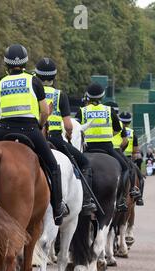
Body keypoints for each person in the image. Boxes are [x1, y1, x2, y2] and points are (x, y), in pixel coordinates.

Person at [0, 44, 68, 226]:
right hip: (30, 129)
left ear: (6, 64)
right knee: (53, 165)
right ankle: (57, 209)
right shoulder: (34, 81)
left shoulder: (1, 82)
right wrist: (40, 124)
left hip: (4, 128)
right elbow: (44, 111)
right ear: (24, 63)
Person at [35, 57, 96, 214]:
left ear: (37, 75)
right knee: (84, 163)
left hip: (33, 136)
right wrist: (68, 134)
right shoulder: (59, 95)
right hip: (54, 138)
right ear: (54, 77)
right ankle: (86, 202)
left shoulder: (32, 91)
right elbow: (68, 125)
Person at [75, 83, 129, 212]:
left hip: (87, 148)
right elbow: (117, 130)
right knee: (126, 168)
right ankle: (121, 199)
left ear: (87, 96)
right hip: (107, 148)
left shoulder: (82, 111)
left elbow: (76, 129)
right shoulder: (108, 110)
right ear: (102, 96)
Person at [119, 111, 144, 205]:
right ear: (129, 122)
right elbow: (135, 150)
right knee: (140, 178)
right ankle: (139, 197)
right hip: (128, 159)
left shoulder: (116, 129)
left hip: (115, 155)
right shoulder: (132, 133)